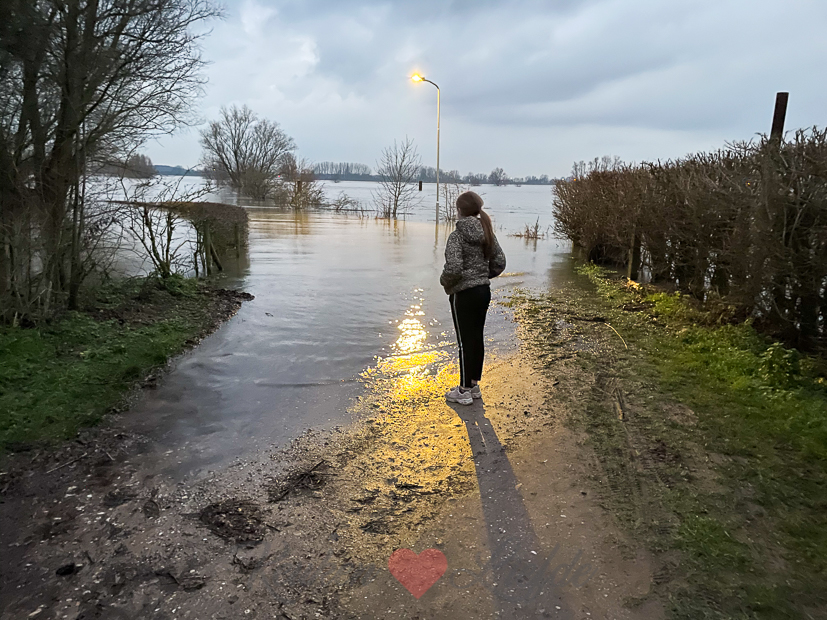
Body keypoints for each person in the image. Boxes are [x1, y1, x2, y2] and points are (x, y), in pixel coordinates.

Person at [440, 191, 506, 405]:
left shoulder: (457, 236)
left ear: (459, 211)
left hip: (464, 295)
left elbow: (454, 268)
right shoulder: (487, 232)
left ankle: (463, 390)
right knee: (476, 338)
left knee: (464, 342)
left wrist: (445, 282)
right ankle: (474, 385)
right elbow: (500, 262)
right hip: (483, 292)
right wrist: (482, 277)